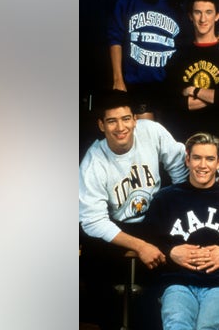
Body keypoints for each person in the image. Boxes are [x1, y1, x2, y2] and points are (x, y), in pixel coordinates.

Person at [79, 89, 188, 330]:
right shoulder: (93, 163)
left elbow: (181, 169)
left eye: (126, 119)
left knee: (156, 299)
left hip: (154, 218)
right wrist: (140, 246)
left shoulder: (152, 131)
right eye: (112, 121)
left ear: (135, 120)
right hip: (116, 226)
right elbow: (92, 221)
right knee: (97, 270)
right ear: (101, 125)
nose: (121, 127)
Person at [143, 132, 219, 330]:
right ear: (187, 160)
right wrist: (170, 252)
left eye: (209, 159)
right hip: (177, 282)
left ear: (218, 163)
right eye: (197, 158)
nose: (202, 165)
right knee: (177, 325)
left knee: (208, 326)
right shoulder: (167, 198)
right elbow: (145, 239)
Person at [108, 0, 188, 120]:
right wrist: (118, 79)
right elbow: (115, 38)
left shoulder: (179, 4)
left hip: (168, 83)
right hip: (138, 83)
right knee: (146, 134)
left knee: (167, 138)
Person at [161, 0, 219, 144]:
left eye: (208, 12)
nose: (203, 19)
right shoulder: (179, 55)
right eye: (197, 12)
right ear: (190, 16)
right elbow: (171, 102)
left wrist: (194, 91)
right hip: (186, 139)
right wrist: (215, 99)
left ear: (217, 16)